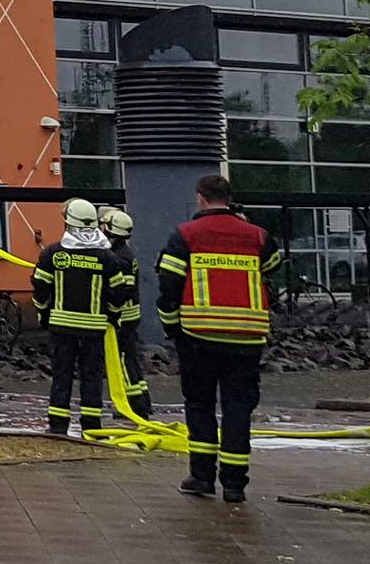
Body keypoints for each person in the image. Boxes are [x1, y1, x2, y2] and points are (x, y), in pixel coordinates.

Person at [155, 174, 284, 503]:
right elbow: (273, 265)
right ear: (229, 198)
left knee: (200, 404)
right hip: (246, 335)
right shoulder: (257, 235)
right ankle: (235, 484)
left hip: (198, 334)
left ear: (200, 197)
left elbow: (169, 283)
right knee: (238, 406)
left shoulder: (185, 234)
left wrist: (171, 325)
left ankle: (201, 476)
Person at [33, 198, 131, 436]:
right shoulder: (107, 258)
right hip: (94, 329)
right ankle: (92, 426)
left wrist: (43, 314)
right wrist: (112, 316)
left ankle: (58, 425)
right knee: (92, 376)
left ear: (68, 223)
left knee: (62, 375)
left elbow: (40, 287)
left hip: (61, 327)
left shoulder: (53, 253)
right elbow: (120, 292)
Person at [100, 205, 151, 418]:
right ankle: (142, 400)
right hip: (130, 316)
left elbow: (122, 291)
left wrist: (111, 311)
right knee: (130, 358)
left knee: (123, 361)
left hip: (123, 318)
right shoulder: (123, 253)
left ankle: (134, 406)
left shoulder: (120, 258)